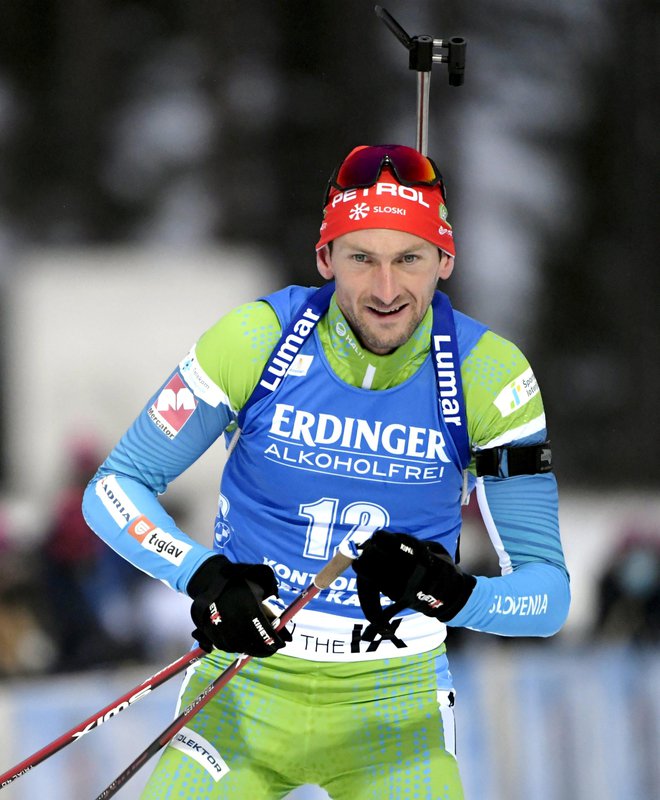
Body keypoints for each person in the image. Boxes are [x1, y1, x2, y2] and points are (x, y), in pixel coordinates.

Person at [82, 144, 570, 799]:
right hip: (242, 692)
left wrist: (456, 596)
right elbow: (113, 488)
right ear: (325, 257)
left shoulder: (489, 375)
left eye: (410, 259)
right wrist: (203, 574)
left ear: (445, 260)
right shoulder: (256, 340)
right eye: (361, 258)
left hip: (395, 711)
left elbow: (549, 597)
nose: (387, 289)